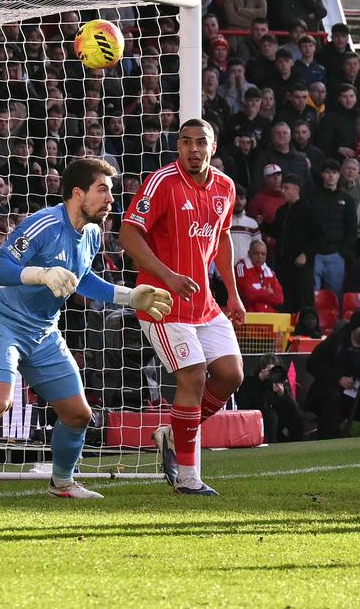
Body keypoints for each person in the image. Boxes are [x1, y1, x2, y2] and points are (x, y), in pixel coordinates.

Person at [0, 158, 174, 503]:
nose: (111, 200)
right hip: (1, 324)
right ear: (78, 193)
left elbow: (79, 279)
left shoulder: (93, 235)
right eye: (103, 190)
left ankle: (62, 483)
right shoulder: (44, 224)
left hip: (43, 333)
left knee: (79, 414)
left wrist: (128, 297)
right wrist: (38, 273)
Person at [119, 120, 247, 496]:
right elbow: (128, 232)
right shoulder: (162, 183)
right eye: (186, 142)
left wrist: (233, 294)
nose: (193, 149)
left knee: (231, 375)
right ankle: (189, 479)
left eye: (200, 142)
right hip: (162, 302)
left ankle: (172, 433)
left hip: (203, 303)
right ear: (178, 146)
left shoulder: (225, 186)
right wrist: (168, 275)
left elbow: (221, 237)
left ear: (213, 146)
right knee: (193, 376)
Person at [305, 312, 360, 438]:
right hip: (332, 390)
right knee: (332, 397)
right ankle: (328, 439)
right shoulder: (337, 340)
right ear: (353, 329)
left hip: (358, 392)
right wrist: (338, 379)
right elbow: (312, 364)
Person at [261, 173, 321, 313]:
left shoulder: (309, 211)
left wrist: (306, 254)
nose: (282, 191)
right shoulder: (282, 211)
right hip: (283, 266)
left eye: (286, 188)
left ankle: (305, 332)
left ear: (296, 189)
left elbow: (319, 237)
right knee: (285, 301)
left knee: (303, 303)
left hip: (302, 268)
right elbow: (277, 232)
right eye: (282, 188)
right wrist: (262, 224)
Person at [310, 159, 357, 300]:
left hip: (336, 255)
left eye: (334, 172)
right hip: (315, 254)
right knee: (312, 296)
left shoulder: (347, 200)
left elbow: (352, 229)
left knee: (335, 297)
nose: (331, 176)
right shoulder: (312, 197)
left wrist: (343, 252)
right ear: (322, 175)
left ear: (339, 175)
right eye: (327, 172)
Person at [236, 354, 305, 443]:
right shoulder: (251, 381)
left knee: (298, 418)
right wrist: (259, 380)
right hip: (256, 421)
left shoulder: (281, 383)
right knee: (271, 416)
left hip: (280, 425)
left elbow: (294, 410)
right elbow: (243, 403)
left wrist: (282, 394)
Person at [235, 239, 284, 313]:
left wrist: (258, 293)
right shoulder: (241, 267)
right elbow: (248, 294)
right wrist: (268, 292)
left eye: (263, 254)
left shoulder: (269, 271)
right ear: (249, 253)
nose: (260, 256)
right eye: (256, 253)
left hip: (271, 316)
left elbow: (280, 299)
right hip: (250, 316)